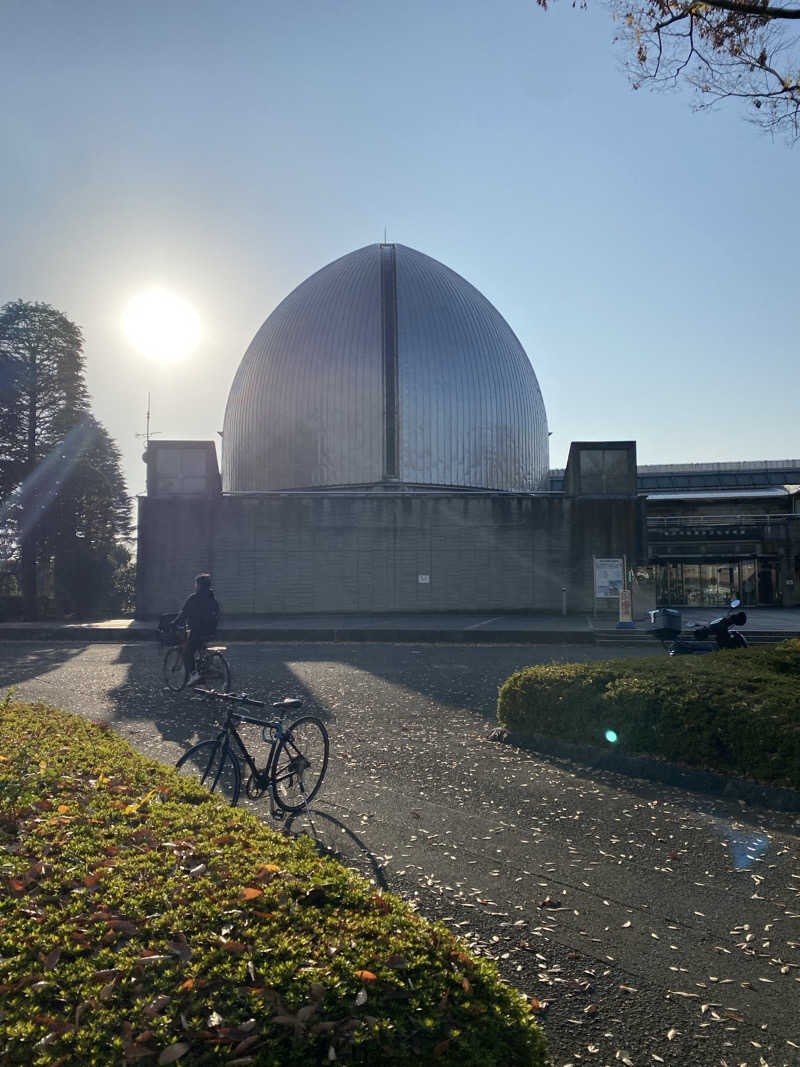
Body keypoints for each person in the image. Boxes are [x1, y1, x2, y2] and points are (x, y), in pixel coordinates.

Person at [173, 574, 220, 685]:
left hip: (197, 631)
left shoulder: (194, 598)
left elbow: (183, 614)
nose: (195, 586)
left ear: (199, 585)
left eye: (196, 584)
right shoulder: (213, 599)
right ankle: (206, 668)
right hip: (211, 631)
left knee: (187, 652)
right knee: (200, 649)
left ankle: (194, 675)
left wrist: (174, 622)